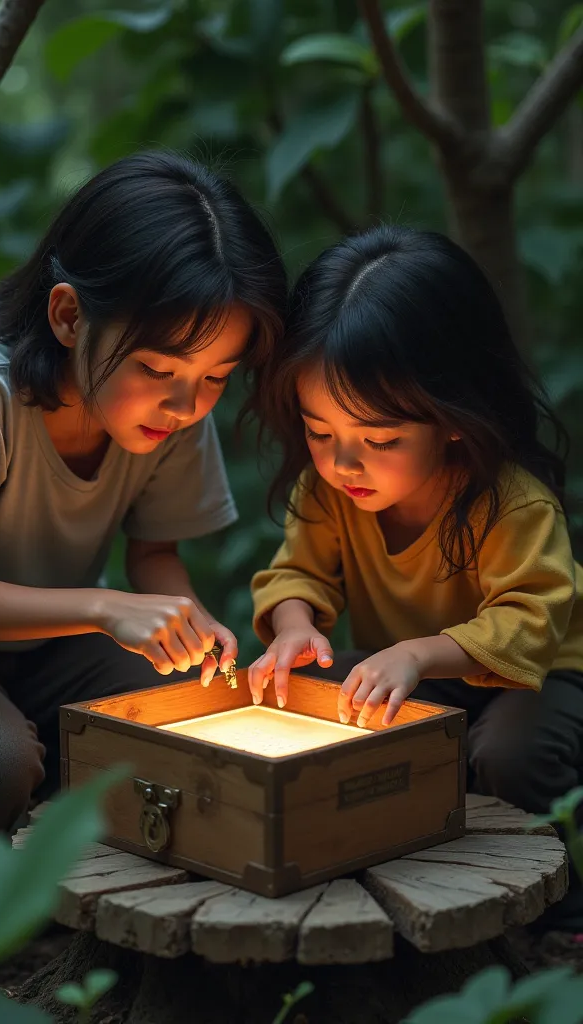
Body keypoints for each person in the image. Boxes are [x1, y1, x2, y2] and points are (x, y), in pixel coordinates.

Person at [0, 150, 287, 875]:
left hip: (49, 647)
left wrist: (196, 637)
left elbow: (154, 554)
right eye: (158, 370)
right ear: (70, 316)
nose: (187, 403)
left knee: (202, 712)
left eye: (216, 378)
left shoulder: (173, 416)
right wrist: (107, 609)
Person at [249, 225, 583, 929]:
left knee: (510, 755)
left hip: (543, 674)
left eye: (381, 440)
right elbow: (295, 575)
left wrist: (418, 651)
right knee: (327, 723)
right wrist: (295, 626)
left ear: (454, 417)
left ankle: (556, 908)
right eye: (319, 430)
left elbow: (530, 621)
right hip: (414, 672)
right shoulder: (327, 493)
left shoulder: (510, 503)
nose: (345, 464)